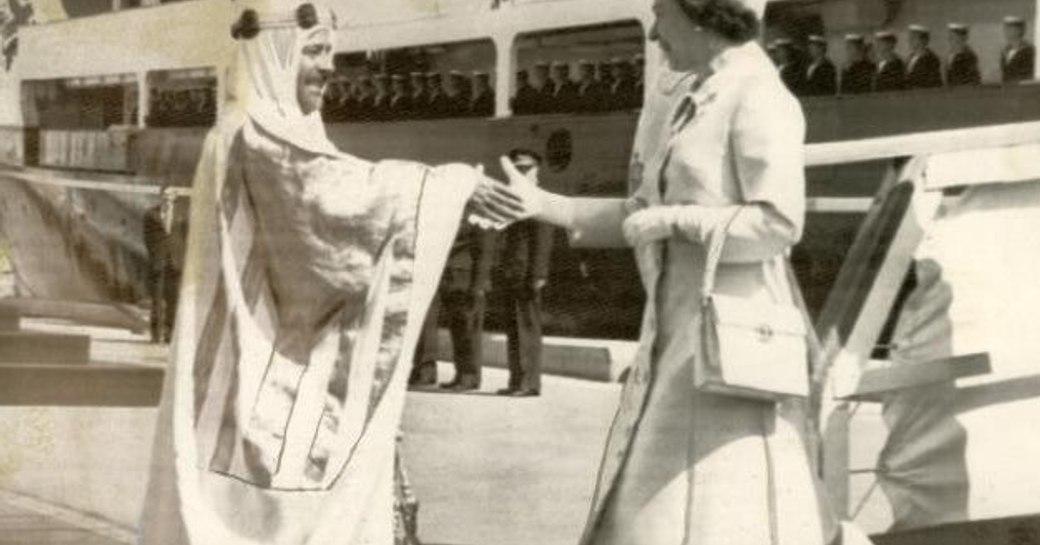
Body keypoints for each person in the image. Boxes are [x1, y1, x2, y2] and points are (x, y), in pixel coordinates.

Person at [137, 2, 525, 543]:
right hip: (248, 381)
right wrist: (452, 185)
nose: (329, 67)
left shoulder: (259, 132)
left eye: (330, 52)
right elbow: (330, 202)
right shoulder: (252, 132)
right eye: (314, 51)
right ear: (275, 51)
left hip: (241, 373)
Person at [497, 0, 876, 543]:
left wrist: (677, 219)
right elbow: (638, 215)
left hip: (729, 345)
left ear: (700, 15)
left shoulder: (759, 95)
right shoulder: (700, 94)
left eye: (661, 15)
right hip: (680, 340)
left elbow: (778, 224)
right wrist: (542, 204)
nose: (654, 33)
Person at [496, 149, 554, 398]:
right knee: (514, 328)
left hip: (527, 275)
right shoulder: (516, 198)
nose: (520, 173)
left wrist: (538, 274)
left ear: (536, 170)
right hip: (512, 273)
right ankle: (516, 380)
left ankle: (529, 383)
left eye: (525, 169)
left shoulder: (539, 198)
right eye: (517, 169)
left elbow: (543, 240)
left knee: (527, 328)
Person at [437, 215, 497, 392]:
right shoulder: (459, 213)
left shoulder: (483, 217)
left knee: (469, 330)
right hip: (453, 279)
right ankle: (461, 374)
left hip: (469, 281)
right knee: (458, 330)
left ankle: (470, 376)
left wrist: (478, 286)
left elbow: (485, 251)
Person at [143, 185, 183, 344]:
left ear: (175, 196)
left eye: (170, 195)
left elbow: (185, 237)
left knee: (173, 301)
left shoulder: (182, 215)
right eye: (164, 194)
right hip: (158, 263)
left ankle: (170, 335)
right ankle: (155, 334)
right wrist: (154, 255)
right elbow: (147, 237)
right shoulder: (150, 214)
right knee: (157, 300)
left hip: (175, 263)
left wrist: (180, 258)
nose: (167, 197)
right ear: (160, 196)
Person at [905, 25, 943, 89]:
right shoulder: (910, 58)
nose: (910, 40)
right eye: (910, 37)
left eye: (913, 37)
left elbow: (932, 83)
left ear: (923, 40)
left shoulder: (931, 59)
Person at [1001, 16, 1036, 83]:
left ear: (1020, 30)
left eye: (1010, 29)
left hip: (1022, 89)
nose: (1006, 32)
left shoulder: (1028, 51)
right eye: (1006, 28)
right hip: (1007, 88)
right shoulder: (1005, 51)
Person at [945, 23, 981, 87]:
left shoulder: (969, 56)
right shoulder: (950, 55)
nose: (949, 40)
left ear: (961, 38)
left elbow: (973, 79)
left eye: (953, 37)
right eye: (950, 37)